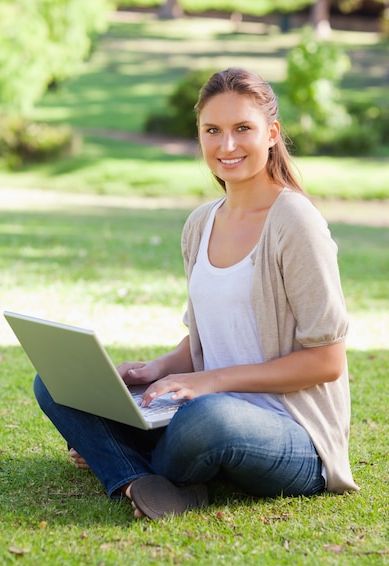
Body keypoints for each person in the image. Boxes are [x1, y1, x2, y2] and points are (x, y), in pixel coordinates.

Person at [34, 67, 358, 520]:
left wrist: (208, 383)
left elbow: (326, 361)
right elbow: (209, 337)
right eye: (213, 131)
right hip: (201, 408)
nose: (227, 146)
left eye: (243, 128)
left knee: (204, 419)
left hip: (291, 435)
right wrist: (158, 368)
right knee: (58, 380)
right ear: (200, 136)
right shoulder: (200, 224)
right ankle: (145, 479)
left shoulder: (296, 223)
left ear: (272, 134)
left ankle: (120, 460)